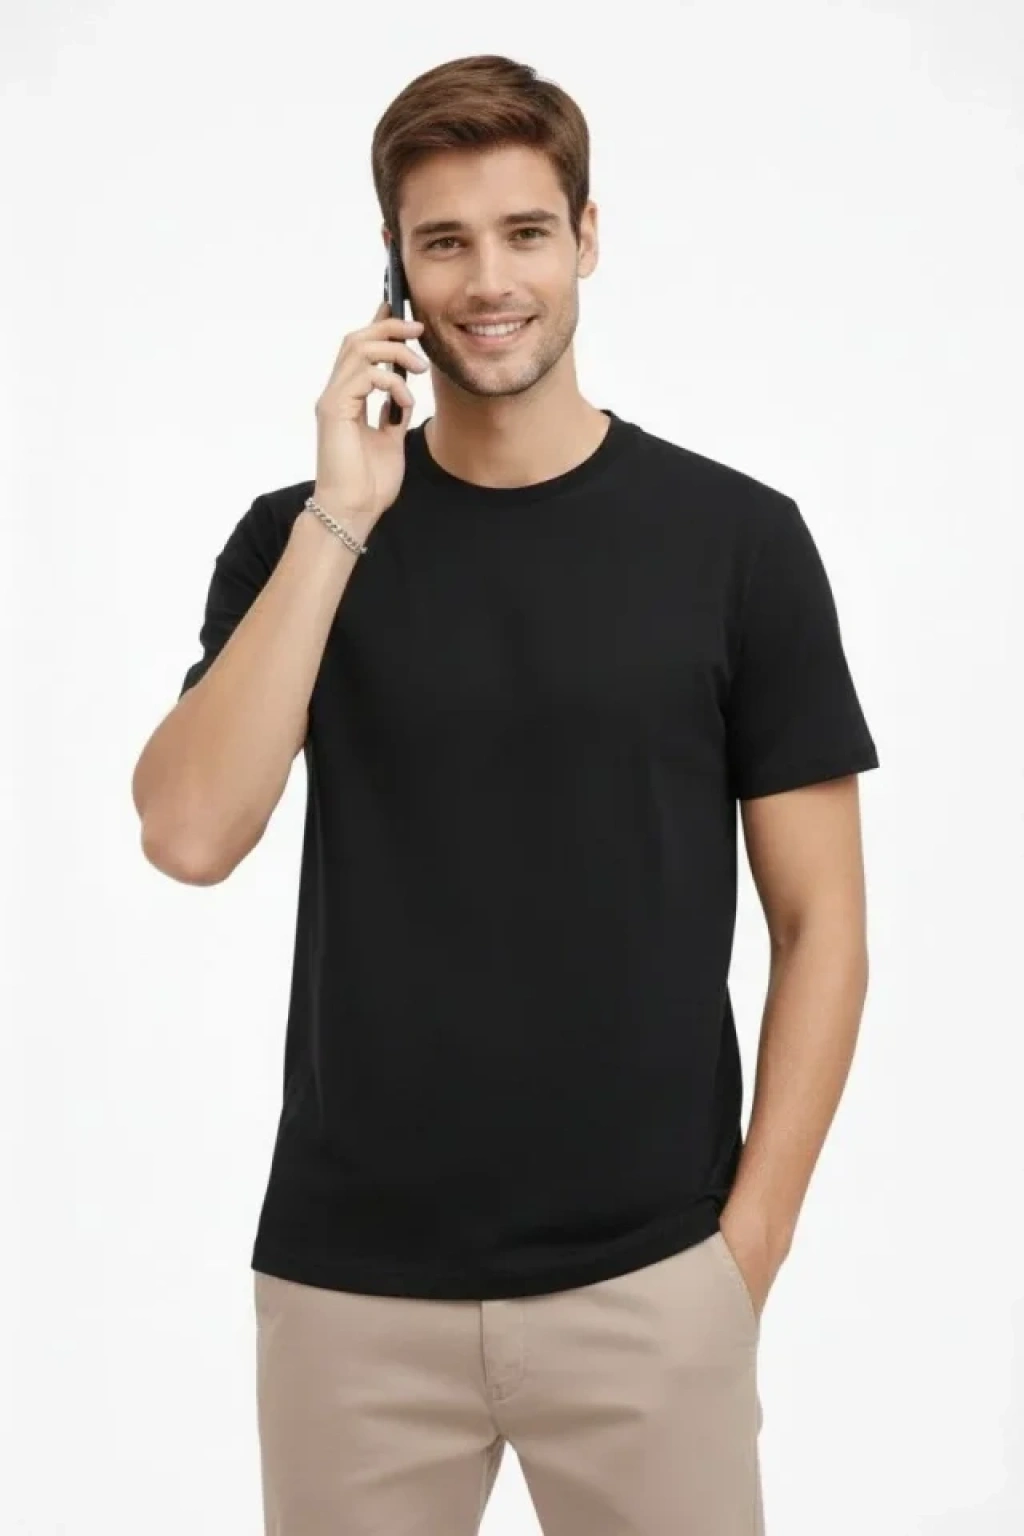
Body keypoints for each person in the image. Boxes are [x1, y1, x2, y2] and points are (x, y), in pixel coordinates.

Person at [131, 52, 879, 1536]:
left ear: (587, 238)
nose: (488, 281)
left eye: (525, 232)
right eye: (444, 241)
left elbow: (824, 926)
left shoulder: (737, 543)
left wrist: (747, 1253)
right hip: (351, 1299)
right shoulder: (297, 540)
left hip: (652, 1286)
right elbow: (190, 833)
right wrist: (345, 514)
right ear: (393, 268)